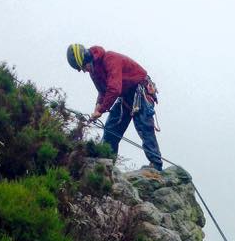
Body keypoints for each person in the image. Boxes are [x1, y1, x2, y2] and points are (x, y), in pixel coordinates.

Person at [66, 43, 163, 173]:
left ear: (86, 58)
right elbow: (102, 91)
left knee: (144, 126)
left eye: (83, 67)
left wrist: (100, 110)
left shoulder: (110, 59)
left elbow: (114, 89)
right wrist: (97, 107)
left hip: (140, 89)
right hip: (125, 95)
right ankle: (107, 164)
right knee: (111, 128)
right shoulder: (94, 71)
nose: (84, 70)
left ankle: (156, 165)